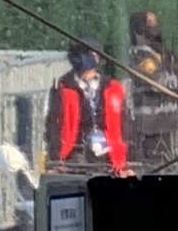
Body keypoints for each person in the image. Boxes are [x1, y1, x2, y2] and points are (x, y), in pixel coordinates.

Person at [44, 38, 130, 176]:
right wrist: (55, 161)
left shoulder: (113, 87)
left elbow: (125, 126)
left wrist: (125, 165)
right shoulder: (63, 87)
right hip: (73, 159)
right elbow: (53, 126)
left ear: (97, 57)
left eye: (85, 53)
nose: (78, 57)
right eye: (76, 53)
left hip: (109, 159)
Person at [125, 9, 178, 167]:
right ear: (140, 27)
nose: (155, 26)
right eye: (150, 22)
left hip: (164, 124)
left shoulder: (160, 51)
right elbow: (158, 82)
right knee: (155, 167)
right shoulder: (140, 55)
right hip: (150, 127)